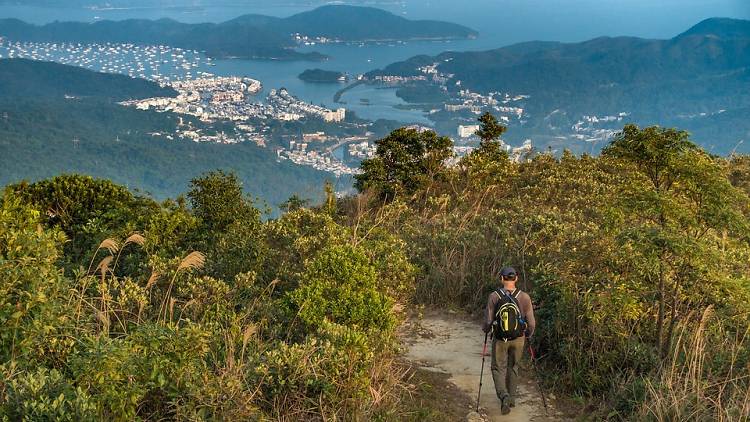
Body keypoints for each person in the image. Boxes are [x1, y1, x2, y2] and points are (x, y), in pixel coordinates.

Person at [482, 266, 536, 415]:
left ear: (501, 278)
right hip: (519, 338)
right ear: (516, 278)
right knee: (513, 366)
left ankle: (503, 396)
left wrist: (486, 330)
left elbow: (488, 321)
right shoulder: (524, 297)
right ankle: (511, 399)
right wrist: (528, 334)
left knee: (497, 368)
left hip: (500, 339)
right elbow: (531, 323)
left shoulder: (494, 296)